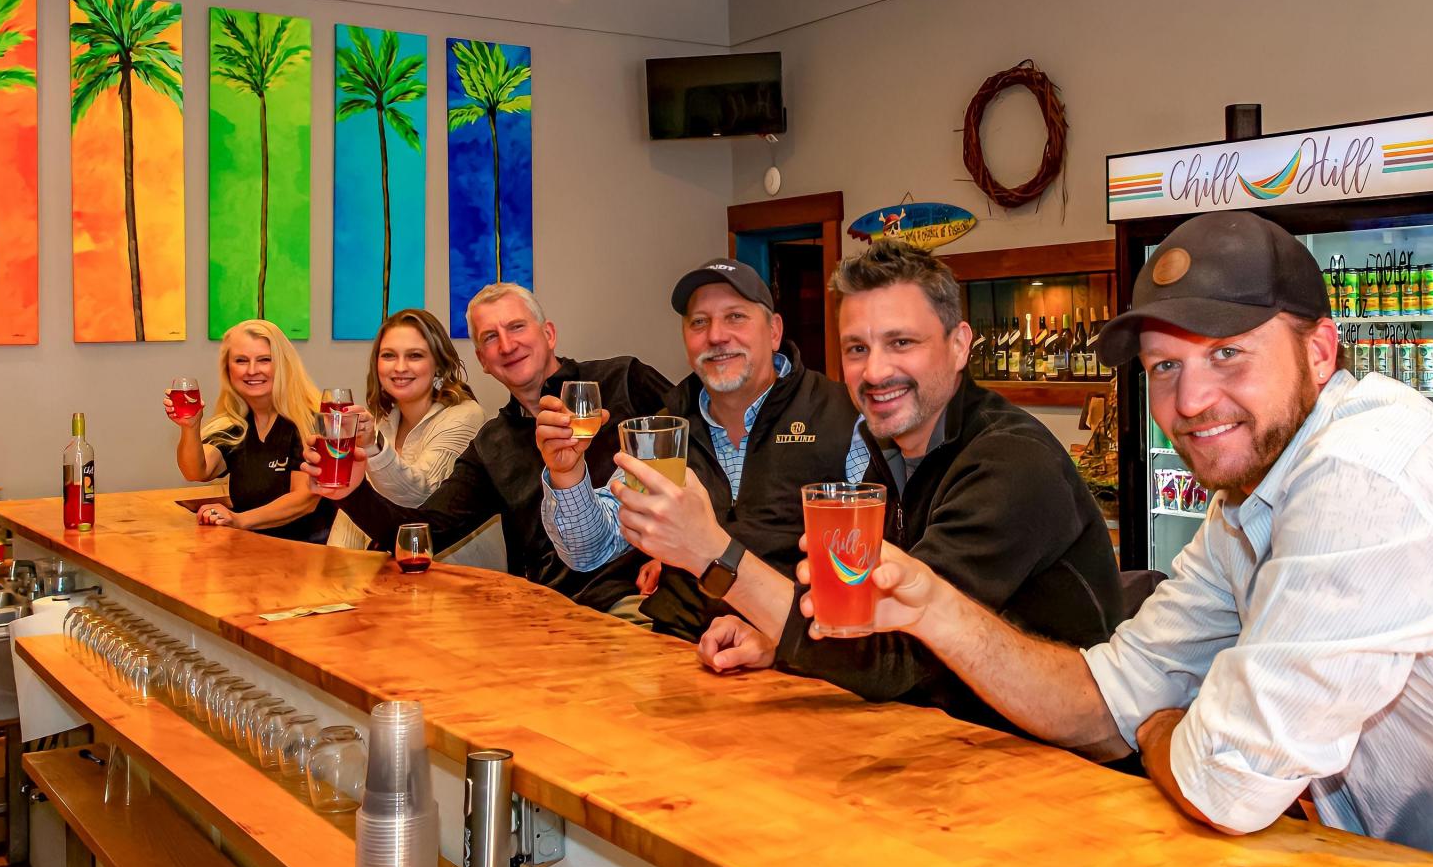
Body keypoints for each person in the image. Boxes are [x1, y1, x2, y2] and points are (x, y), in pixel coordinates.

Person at [814, 211, 1433, 867]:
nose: (1192, 399)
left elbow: (1225, 784)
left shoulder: (1367, 480)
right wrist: (934, 605)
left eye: (1227, 356)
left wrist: (1169, 726)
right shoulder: (1253, 498)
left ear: (1320, 348)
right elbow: (1102, 698)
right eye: (1165, 369)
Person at [610, 239, 1123, 733]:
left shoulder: (1011, 463)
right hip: (938, 738)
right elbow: (865, 621)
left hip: (1052, 769)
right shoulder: (891, 455)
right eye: (857, 348)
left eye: (902, 342)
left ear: (960, 344)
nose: (875, 371)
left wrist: (711, 552)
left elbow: (896, 661)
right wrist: (775, 639)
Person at [536, 258, 867, 638]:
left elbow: (866, 564)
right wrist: (567, 473)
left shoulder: (841, 416)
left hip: (805, 650)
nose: (716, 336)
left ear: (774, 331)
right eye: (699, 322)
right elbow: (593, 549)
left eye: (736, 317)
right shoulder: (667, 426)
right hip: (678, 648)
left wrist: (781, 640)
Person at [305, 282, 672, 599]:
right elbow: (425, 530)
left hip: (639, 596)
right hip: (551, 610)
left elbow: (706, 452)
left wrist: (671, 556)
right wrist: (351, 493)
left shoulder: (623, 381)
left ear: (548, 334)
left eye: (516, 327)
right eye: (490, 338)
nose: (507, 345)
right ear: (481, 359)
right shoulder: (492, 444)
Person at [326, 308, 498, 568]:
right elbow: (354, 510)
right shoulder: (382, 420)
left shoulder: (466, 416)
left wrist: (372, 447)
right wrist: (333, 570)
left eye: (415, 356)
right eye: (388, 356)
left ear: (438, 365)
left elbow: (421, 502)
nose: (400, 367)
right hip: (390, 571)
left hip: (456, 578)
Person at [167, 319, 332, 542]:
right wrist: (190, 427)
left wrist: (239, 520)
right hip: (249, 552)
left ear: (283, 365)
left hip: (306, 557)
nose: (252, 370)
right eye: (241, 361)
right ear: (228, 369)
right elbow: (196, 471)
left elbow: (304, 499)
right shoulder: (235, 425)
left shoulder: (311, 421)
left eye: (264, 360)